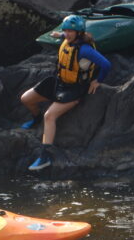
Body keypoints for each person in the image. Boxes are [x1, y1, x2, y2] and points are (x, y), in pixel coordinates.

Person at [20, 15, 112, 171]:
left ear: (79, 33)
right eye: (66, 31)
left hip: (75, 89)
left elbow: (106, 64)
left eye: (71, 31)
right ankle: (35, 118)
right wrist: (59, 35)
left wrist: (97, 81)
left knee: (49, 116)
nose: (67, 34)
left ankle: (45, 157)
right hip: (59, 82)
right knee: (26, 99)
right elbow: (66, 37)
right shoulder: (69, 39)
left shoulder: (85, 49)